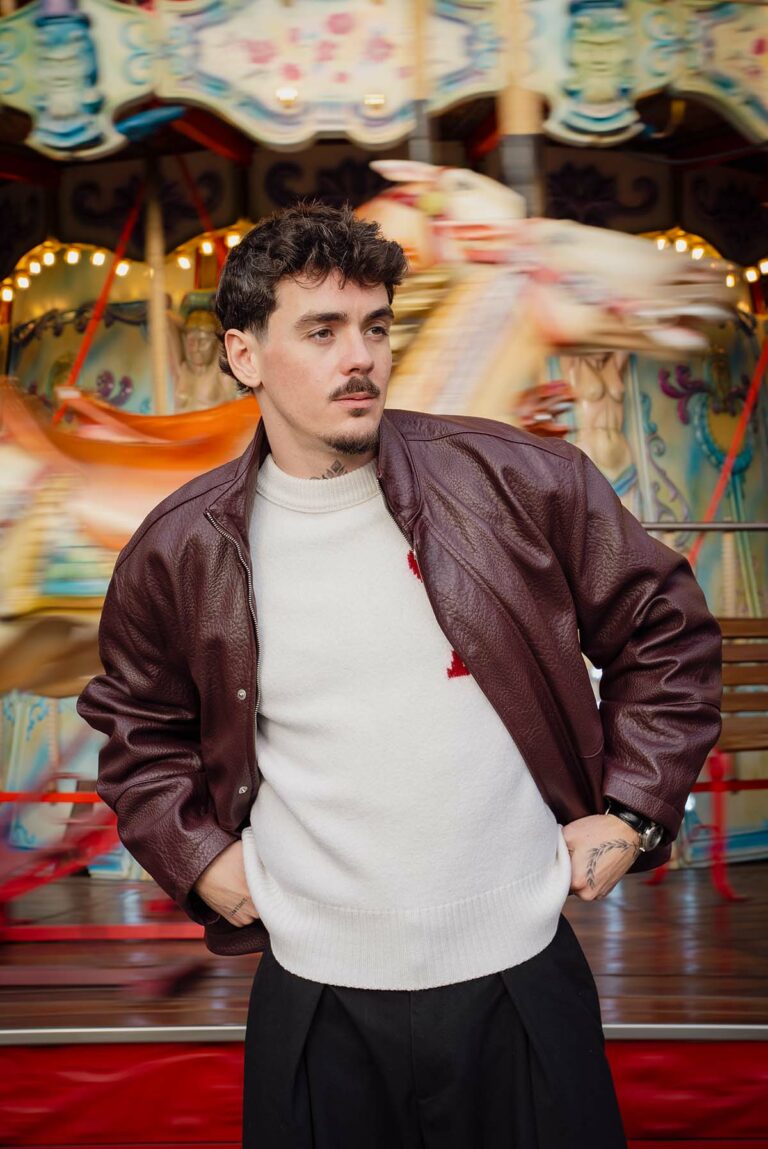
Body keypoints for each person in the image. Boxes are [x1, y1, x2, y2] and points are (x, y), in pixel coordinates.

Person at [77, 203, 722, 1148]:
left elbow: (666, 630)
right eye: (322, 330)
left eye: (376, 327)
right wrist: (200, 860)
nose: (362, 357)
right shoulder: (181, 547)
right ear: (244, 354)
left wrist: (629, 811)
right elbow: (138, 729)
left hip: (520, 973)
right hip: (315, 995)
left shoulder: (517, 480)